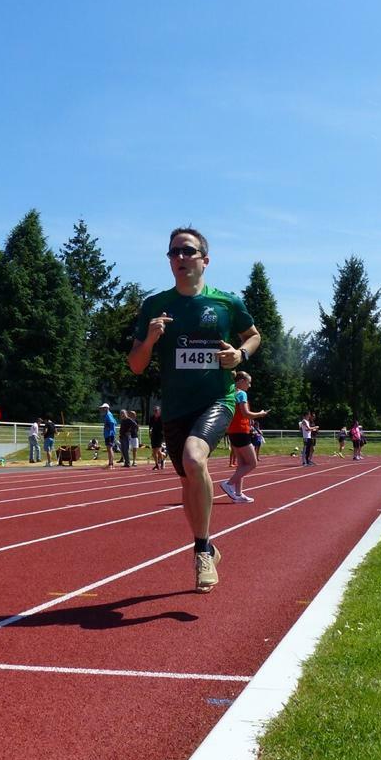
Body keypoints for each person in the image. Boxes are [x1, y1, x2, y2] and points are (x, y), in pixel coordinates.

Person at [127, 226, 260, 593]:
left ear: (205, 259)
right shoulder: (155, 305)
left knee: (194, 457)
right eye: (173, 253)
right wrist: (151, 340)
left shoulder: (226, 303)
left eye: (187, 251)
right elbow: (136, 365)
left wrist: (240, 354)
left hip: (217, 400)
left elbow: (253, 334)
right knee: (189, 483)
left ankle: (201, 550)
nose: (180, 258)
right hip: (175, 408)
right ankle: (208, 546)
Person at [220, 371, 269, 503]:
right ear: (241, 381)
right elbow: (246, 414)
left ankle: (238, 494)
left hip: (232, 431)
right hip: (241, 431)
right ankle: (229, 484)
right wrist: (260, 414)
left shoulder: (230, 393)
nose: (250, 385)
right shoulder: (241, 394)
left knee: (241, 464)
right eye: (248, 382)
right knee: (252, 463)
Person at [100, 403, 118, 469]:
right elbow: (115, 422)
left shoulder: (108, 415)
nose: (102, 409)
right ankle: (110, 463)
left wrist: (110, 430)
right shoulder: (108, 415)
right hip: (108, 434)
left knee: (110, 449)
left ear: (107, 408)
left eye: (103, 408)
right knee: (109, 449)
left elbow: (113, 423)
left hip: (109, 434)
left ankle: (111, 464)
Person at [148, 406, 166, 470]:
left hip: (160, 436)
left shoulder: (162, 418)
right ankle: (156, 464)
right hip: (154, 435)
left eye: (156, 410)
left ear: (159, 411)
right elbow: (150, 426)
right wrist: (149, 432)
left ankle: (162, 460)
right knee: (154, 452)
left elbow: (164, 426)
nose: (155, 411)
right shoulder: (152, 418)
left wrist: (164, 433)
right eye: (154, 410)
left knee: (158, 451)